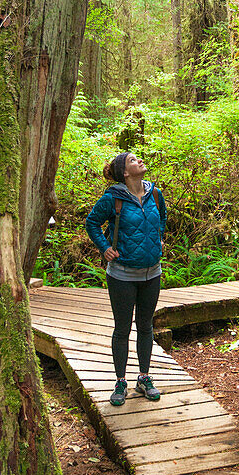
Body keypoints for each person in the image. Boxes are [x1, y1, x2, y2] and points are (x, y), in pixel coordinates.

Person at [85, 151, 166, 406]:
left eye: (138, 158)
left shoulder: (155, 193)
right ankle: (120, 381)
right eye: (133, 160)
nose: (139, 161)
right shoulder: (113, 198)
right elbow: (92, 222)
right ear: (125, 173)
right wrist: (104, 247)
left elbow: (162, 217)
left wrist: (159, 238)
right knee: (122, 329)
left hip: (152, 272)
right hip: (121, 274)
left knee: (146, 326)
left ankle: (144, 377)